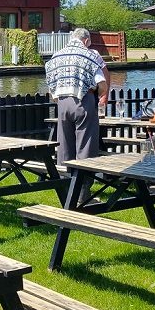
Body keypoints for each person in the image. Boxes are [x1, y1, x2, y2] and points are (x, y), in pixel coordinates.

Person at [45, 28, 107, 203]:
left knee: (65, 147)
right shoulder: (89, 55)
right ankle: (83, 196)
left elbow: (50, 82)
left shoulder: (56, 56)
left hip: (62, 104)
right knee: (85, 147)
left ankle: (66, 193)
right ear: (86, 40)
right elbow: (101, 82)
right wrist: (101, 95)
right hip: (83, 101)